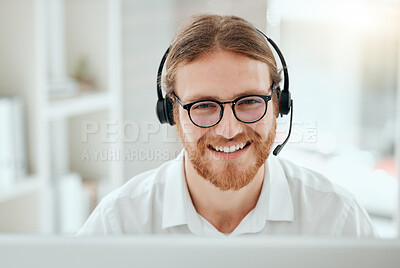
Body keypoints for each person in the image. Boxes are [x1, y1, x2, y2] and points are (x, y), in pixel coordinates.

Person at [78, 14, 377, 237]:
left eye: (248, 101)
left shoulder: (337, 220)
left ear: (279, 103)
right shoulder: (117, 224)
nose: (229, 129)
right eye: (204, 106)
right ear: (171, 112)